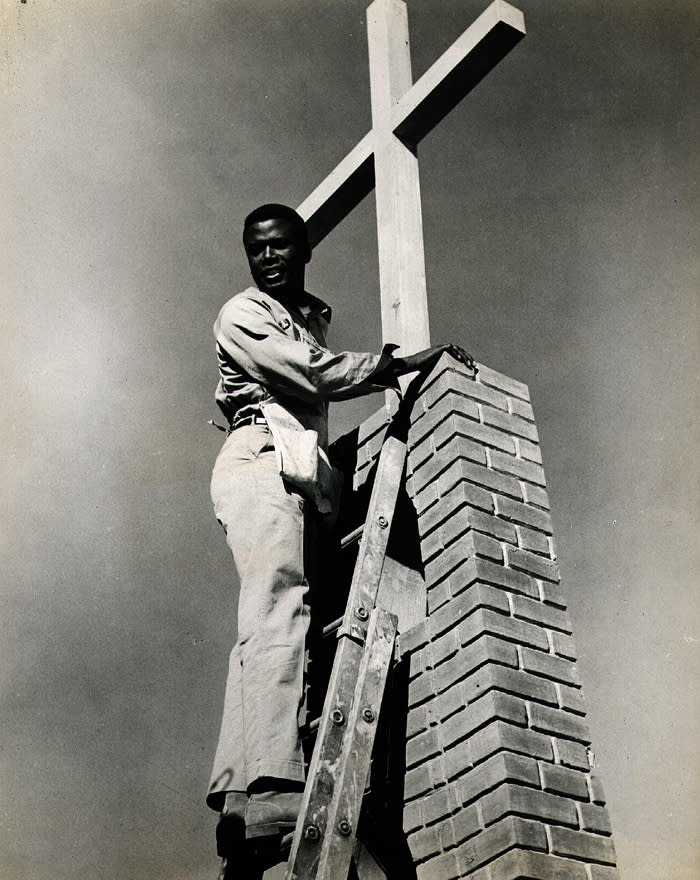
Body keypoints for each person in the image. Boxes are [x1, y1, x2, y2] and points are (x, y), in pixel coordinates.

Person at [206, 203, 475, 859]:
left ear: (302, 250)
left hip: (295, 470)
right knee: (278, 606)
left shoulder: (305, 318)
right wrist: (397, 365)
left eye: (279, 246)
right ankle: (272, 782)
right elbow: (316, 374)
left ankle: (243, 799)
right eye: (256, 248)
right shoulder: (243, 314)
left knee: (267, 620)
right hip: (259, 457)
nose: (268, 258)